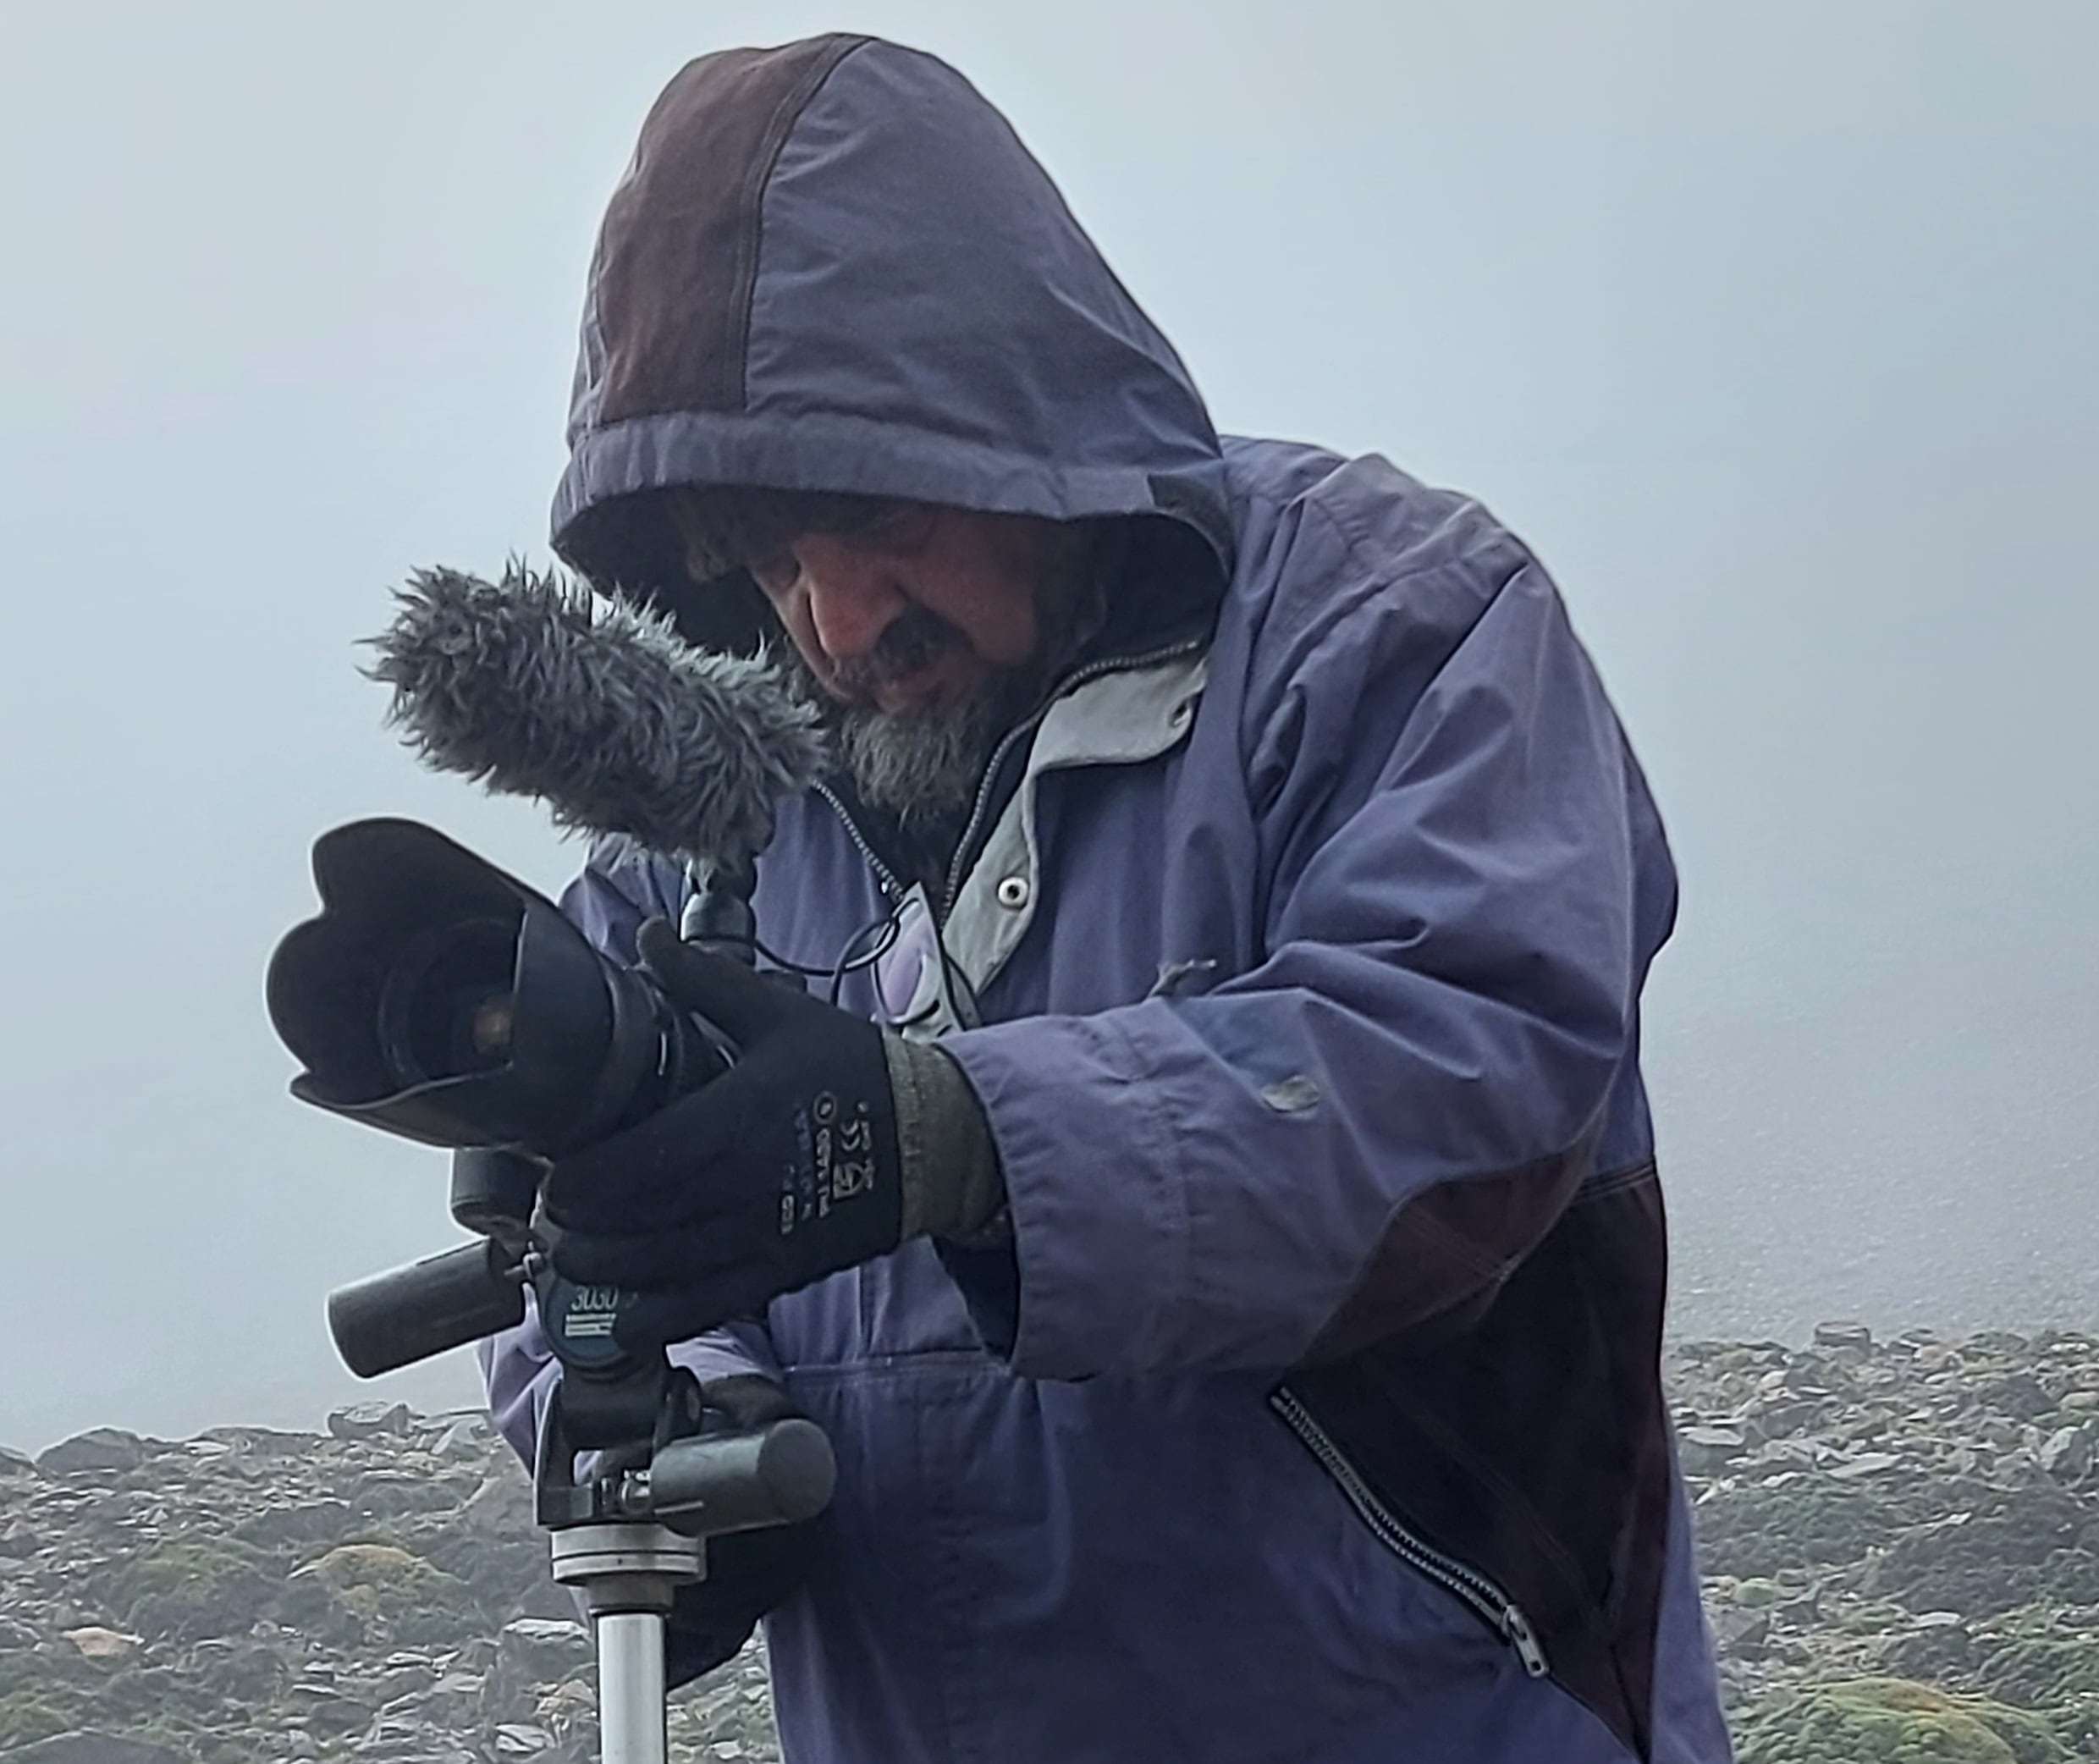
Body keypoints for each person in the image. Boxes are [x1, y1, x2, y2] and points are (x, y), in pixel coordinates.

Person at [482, 32, 1733, 1764]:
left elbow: (1471, 1071)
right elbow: (588, 1249)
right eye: (765, 561)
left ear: (1013, 417)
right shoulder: (715, 824)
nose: (840, 624)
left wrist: (951, 1139)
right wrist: (680, 1440)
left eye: (871, 513)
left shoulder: (1393, 633)